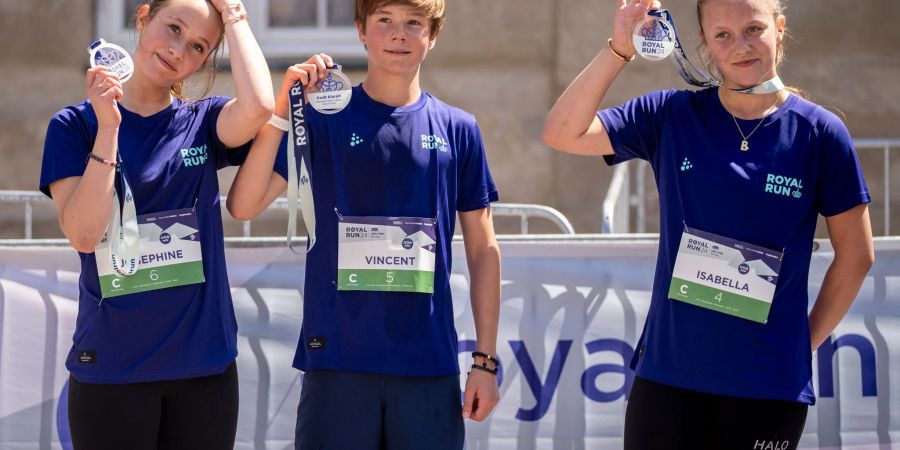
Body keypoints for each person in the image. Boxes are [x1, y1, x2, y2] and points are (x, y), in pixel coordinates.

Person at [542, 0, 873, 448]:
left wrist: (800, 344)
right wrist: (619, 50)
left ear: (779, 28)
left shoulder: (821, 133)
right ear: (705, 45)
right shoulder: (671, 115)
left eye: (754, 29)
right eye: (723, 35)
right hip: (669, 378)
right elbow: (562, 131)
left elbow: (856, 257)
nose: (741, 46)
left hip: (766, 384)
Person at [226, 0, 502, 448]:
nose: (399, 34)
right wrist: (282, 110)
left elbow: (483, 250)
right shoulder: (321, 117)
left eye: (414, 23)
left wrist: (485, 362)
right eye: (385, 21)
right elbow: (244, 205)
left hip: (426, 365)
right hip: (337, 361)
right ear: (360, 30)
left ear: (432, 35)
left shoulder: (459, 129)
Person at [39, 0, 273, 448]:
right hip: (112, 369)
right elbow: (85, 235)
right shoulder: (72, 126)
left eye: (198, 46)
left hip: (204, 370)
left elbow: (260, 105)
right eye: (173, 28)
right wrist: (109, 128)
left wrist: (236, 16)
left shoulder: (202, 122)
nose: (178, 50)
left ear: (205, 60)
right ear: (143, 18)